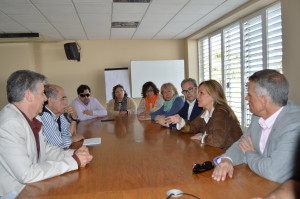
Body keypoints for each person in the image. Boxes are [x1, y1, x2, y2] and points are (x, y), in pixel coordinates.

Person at [0, 70, 93, 197]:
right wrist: (73, 162)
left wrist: (73, 154)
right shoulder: (9, 124)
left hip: (32, 187)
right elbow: (26, 174)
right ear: (28, 95)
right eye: (42, 93)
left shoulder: (34, 118)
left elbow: (46, 150)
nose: (45, 98)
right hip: (14, 193)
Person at [212, 69, 300, 183]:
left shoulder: (295, 125)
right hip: (260, 183)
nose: (246, 98)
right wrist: (227, 160)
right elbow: (242, 144)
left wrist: (249, 154)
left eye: (249, 95)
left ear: (264, 100)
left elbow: (273, 172)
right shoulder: (258, 116)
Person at [166, 80, 242, 149]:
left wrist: (202, 136)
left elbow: (217, 141)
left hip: (232, 158)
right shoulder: (206, 111)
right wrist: (180, 121)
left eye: (201, 93)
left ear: (213, 95)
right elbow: (193, 127)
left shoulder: (221, 113)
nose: (197, 96)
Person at [41, 84, 84, 148]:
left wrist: (74, 119)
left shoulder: (59, 114)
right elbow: (57, 144)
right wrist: (71, 139)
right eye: (62, 99)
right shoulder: (44, 115)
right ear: (50, 100)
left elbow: (68, 133)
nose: (66, 103)